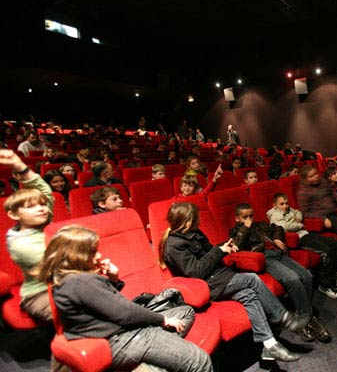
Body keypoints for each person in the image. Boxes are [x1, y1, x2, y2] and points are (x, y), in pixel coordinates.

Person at [38, 225, 213, 372]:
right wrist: (163, 320)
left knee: (185, 311)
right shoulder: (81, 281)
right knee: (200, 361)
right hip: (120, 338)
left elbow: (102, 304)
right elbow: (125, 313)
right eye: (93, 252)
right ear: (76, 255)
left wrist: (113, 278)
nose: (98, 256)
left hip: (118, 328)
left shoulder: (69, 279)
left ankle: (156, 362)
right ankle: (155, 363)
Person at [159, 202, 306, 362]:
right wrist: (219, 251)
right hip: (207, 286)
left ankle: (270, 346)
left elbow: (210, 252)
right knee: (251, 279)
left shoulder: (194, 233)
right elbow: (196, 272)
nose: (200, 218)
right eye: (197, 216)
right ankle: (283, 317)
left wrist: (224, 246)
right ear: (188, 221)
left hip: (219, 276)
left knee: (249, 294)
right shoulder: (174, 245)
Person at [230, 203, 331, 343]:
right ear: (237, 218)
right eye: (245, 217)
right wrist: (245, 227)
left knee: (307, 275)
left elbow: (278, 228)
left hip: (278, 253)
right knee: (293, 279)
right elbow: (237, 244)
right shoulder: (236, 231)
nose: (249, 219)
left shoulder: (259, 225)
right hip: (264, 257)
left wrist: (277, 238)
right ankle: (307, 318)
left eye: (251, 216)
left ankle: (302, 315)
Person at [2, 149, 54, 322]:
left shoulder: (41, 220)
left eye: (42, 205)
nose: (41, 208)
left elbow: (45, 191)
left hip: (66, 284)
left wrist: (20, 167)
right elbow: (56, 267)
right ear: (14, 215)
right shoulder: (20, 243)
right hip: (39, 293)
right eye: (31, 207)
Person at [267, 193, 337, 299]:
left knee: (334, 242)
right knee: (325, 252)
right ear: (275, 205)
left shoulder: (289, 210)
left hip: (306, 233)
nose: (285, 206)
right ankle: (325, 285)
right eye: (282, 204)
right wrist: (300, 225)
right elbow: (283, 227)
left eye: (286, 203)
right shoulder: (275, 215)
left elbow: (298, 212)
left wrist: (298, 218)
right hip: (298, 239)